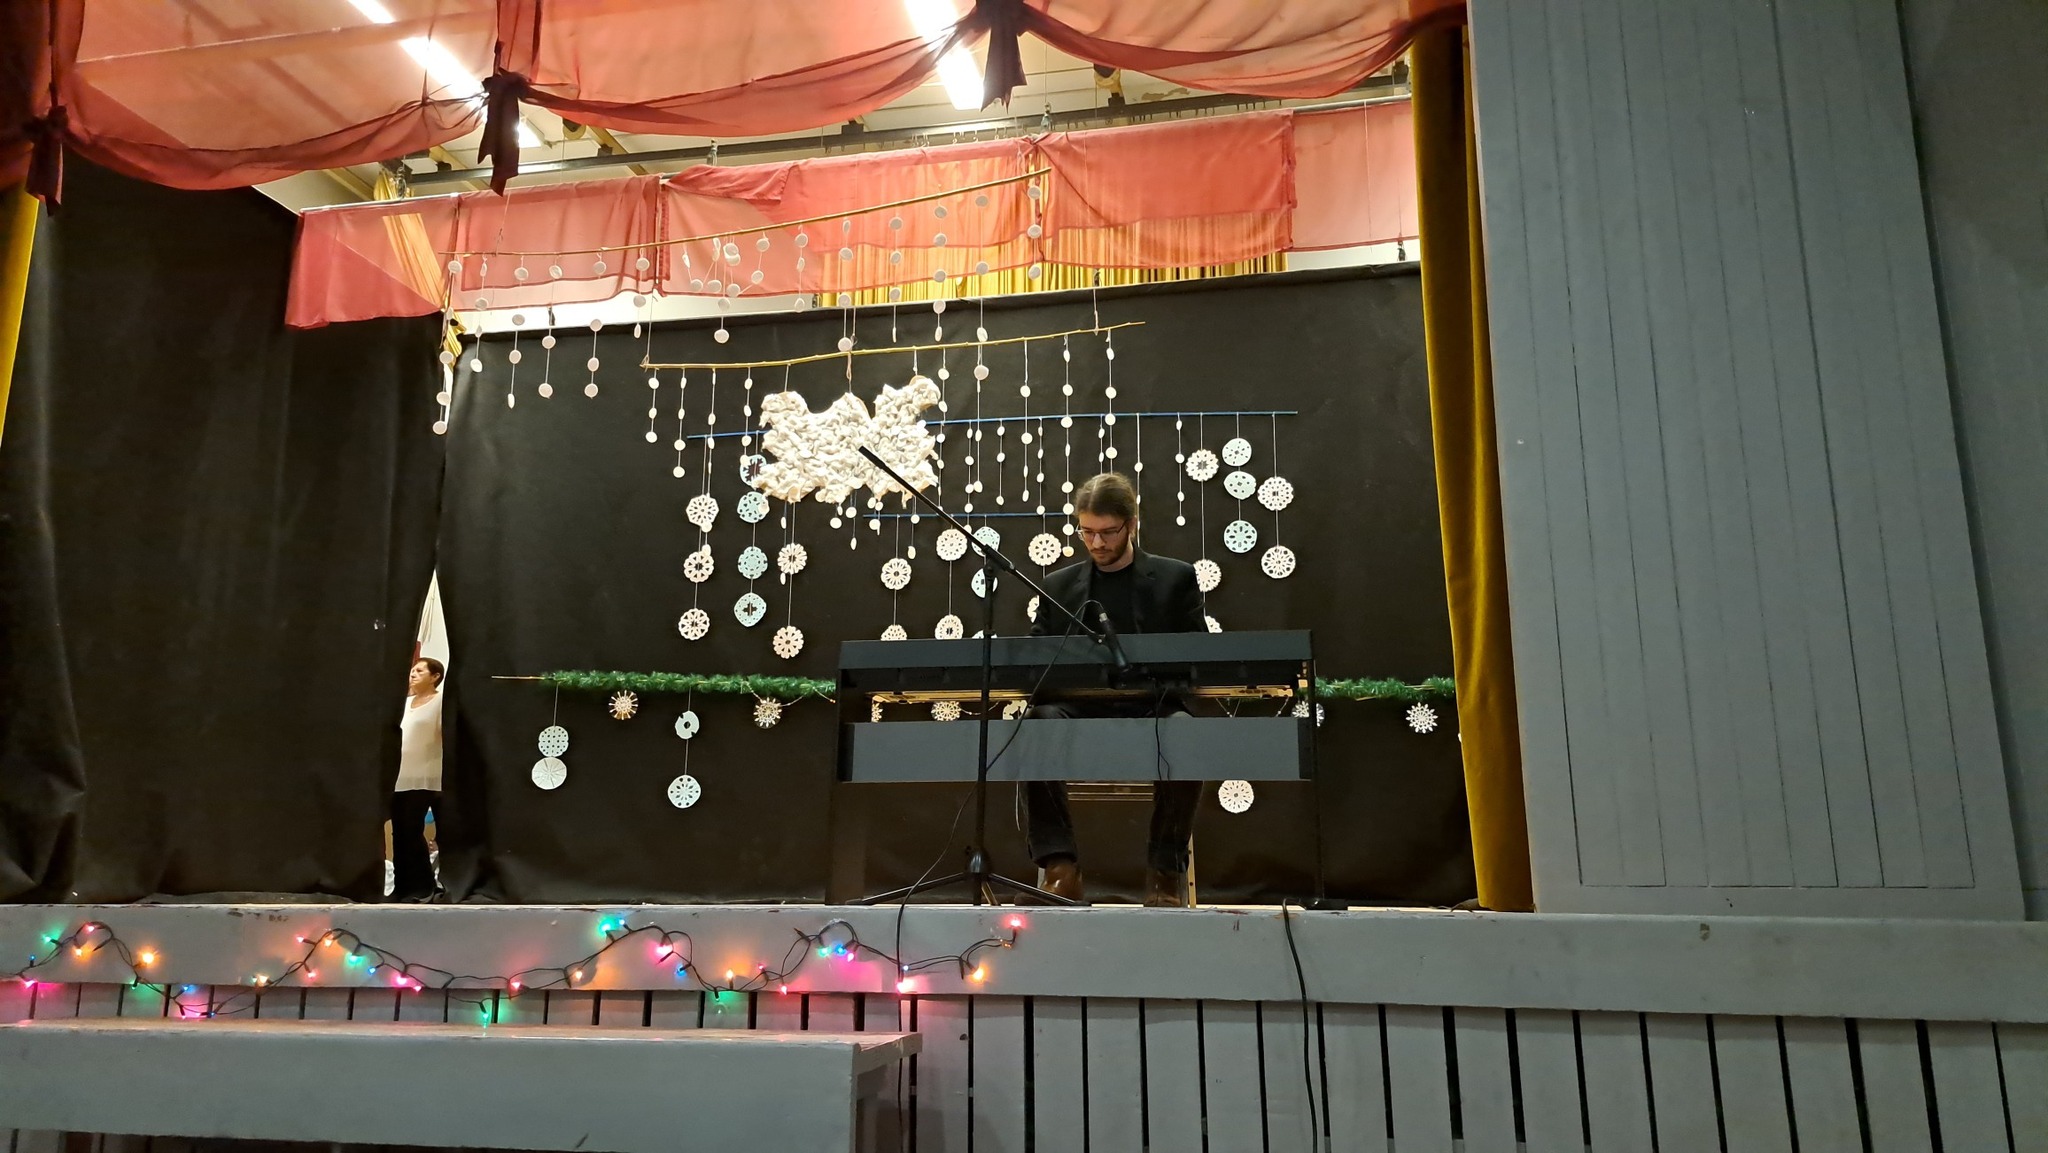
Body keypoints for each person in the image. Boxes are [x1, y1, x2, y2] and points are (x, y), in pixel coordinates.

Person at [1027, 472, 1207, 907]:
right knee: (1035, 724)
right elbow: (1033, 659)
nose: (1097, 543)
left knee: (1186, 732)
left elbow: (1198, 654)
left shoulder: (1175, 578)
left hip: (1152, 705)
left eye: (1108, 532)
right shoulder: (1057, 586)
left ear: (1132, 524)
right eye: (1087, 531)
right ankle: (1060, 868)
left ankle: (1165, 872)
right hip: (1077, 707)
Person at [391, 656, 444, 902]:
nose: (413, 674)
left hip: (426, 777)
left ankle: (423, 887)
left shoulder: (440, 702)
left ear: (435, 677)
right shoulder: (404, 703)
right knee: (400, 833)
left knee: (412, 831)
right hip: (399, 777)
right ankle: (402, 887)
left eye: (420, 671)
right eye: (412, 670)